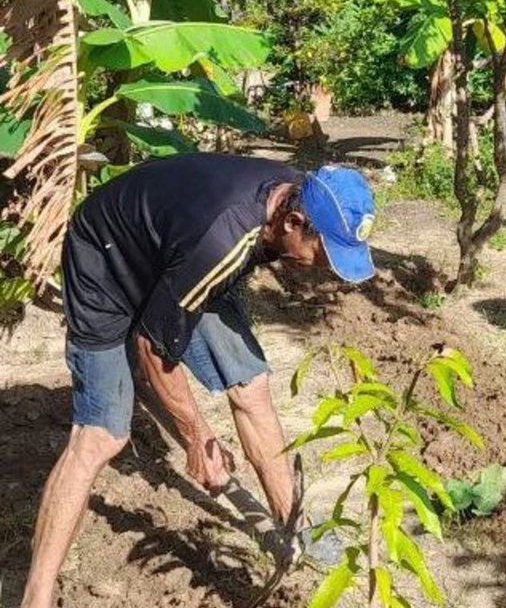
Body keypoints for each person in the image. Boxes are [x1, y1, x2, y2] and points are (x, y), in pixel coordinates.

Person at [21, 153, 377, 608]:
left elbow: (191, 284)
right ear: (293, 222)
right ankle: (36, 594)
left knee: (252, 387)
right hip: (105, 257)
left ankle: (295, 524)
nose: (327, 266)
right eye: (327, 251)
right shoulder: (225, 239)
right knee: (101, 435)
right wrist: (196, 438)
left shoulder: (293, 195)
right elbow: (153, 347)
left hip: (174, 255)